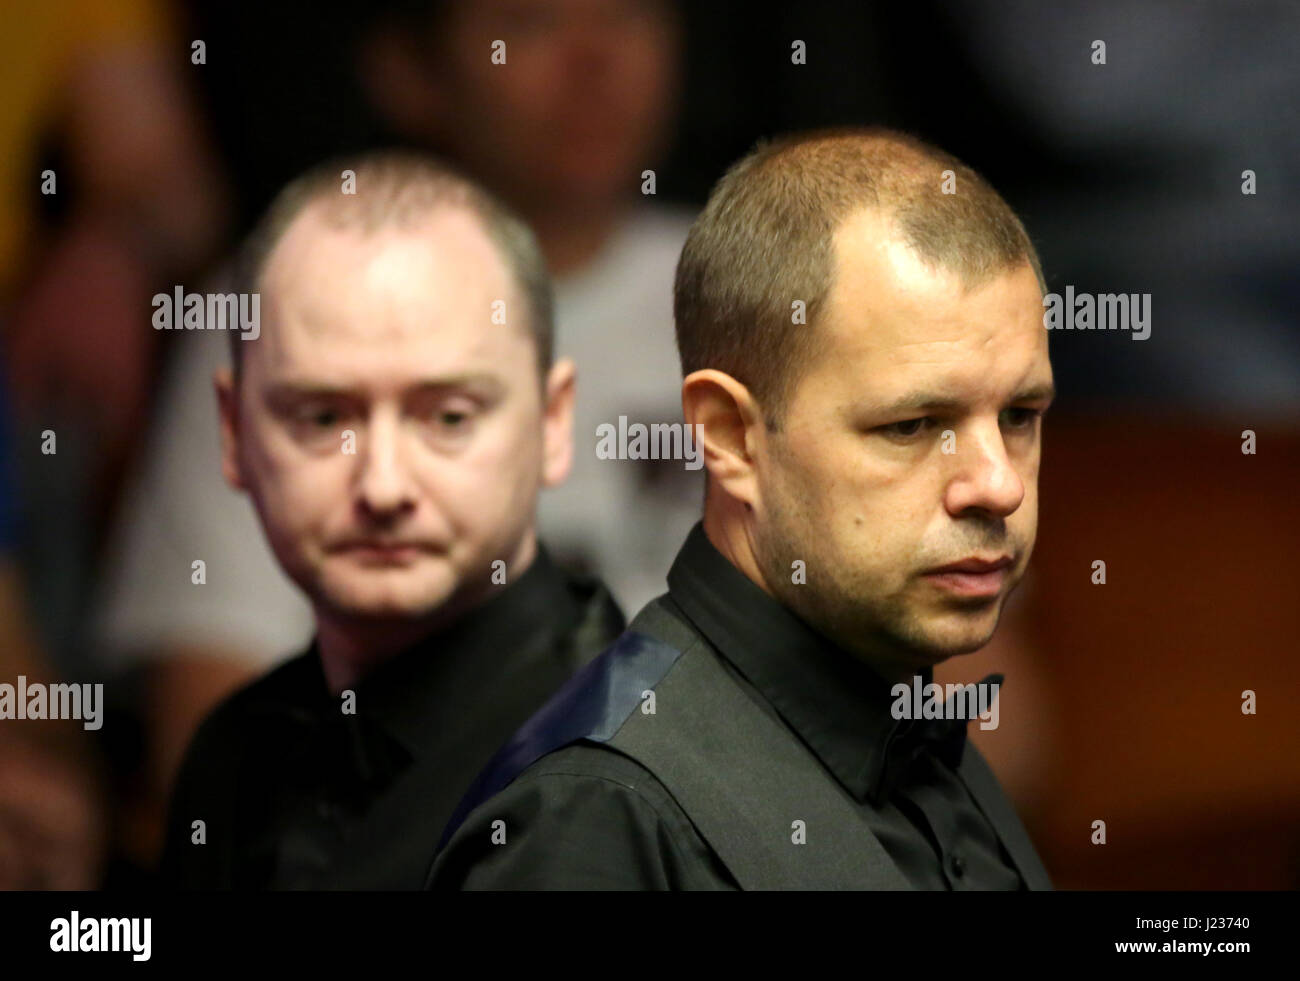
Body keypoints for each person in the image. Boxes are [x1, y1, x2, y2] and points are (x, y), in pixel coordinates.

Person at [91, 0, 694, 861]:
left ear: (547, 420)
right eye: (528, 22)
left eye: (450, 416)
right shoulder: (285, 293)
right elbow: (211, 751)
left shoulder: (777, 304)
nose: (594, 59)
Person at [430, 128, 1056, 890]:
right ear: (730, 437)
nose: (999, 484)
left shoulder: (915, 726)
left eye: (1020, 415)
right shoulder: (596, 819)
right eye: (912, 425)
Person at [159, 152, 624, 889]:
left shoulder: (622, 772)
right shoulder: (234, 750)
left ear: (553, 421)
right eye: (321, 416)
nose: (381, 484)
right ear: (232, 430)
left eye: (447, 416)